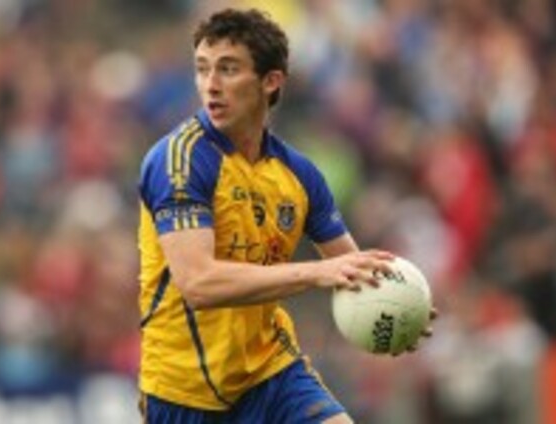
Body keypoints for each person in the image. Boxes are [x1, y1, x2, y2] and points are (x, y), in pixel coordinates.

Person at [137, 8, 433, 423]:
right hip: (183, 393)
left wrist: (399, 306)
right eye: (202, 69)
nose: (211, 84)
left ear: (271, 81)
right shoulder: (180, 160)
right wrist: (314, 273)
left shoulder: (300, 175)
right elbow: (198, 283)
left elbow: (352, 269)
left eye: (228, 69)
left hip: (271, 374)